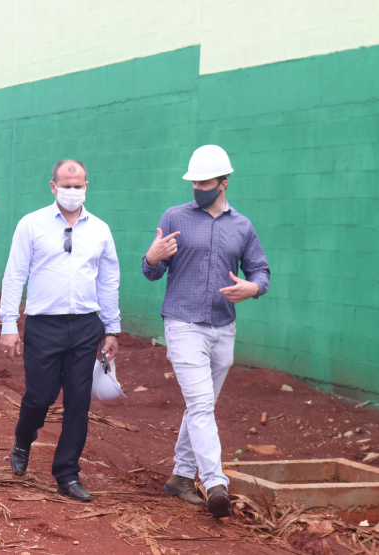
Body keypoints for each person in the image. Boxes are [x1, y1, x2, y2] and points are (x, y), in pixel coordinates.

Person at [142, 145, 270, 517]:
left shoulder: (242, 226)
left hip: (223, 326)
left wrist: (253, 288)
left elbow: (261, 270)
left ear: (223, 183)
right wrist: (152, 257)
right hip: (182, 324)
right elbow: (150, 271)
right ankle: (216, 482)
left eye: (205, 181)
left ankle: (180, 476)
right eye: (194, 181)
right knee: (200, 404)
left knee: (202, 406)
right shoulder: (175, 216)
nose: (198, 187)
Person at [0, 159, 121, 503]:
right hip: (44, 325)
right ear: (53, 186)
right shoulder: (31, 225)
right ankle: (24, 437)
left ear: (87, 185)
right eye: (66, 185)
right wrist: (10, 323)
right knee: (40, 396)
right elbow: (15, 274)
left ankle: (66, 473)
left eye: (78, 185)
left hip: (85, 326)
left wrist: (112, 328)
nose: (72, 191)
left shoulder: (100, 229)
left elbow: (109, 280)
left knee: (78, 402)